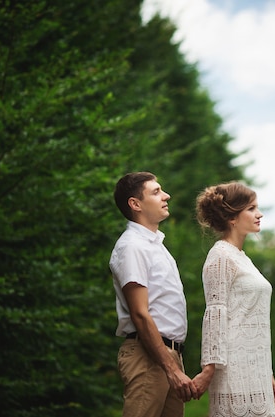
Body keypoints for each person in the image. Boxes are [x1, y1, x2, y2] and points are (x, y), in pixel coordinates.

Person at [109, 172, 196, 417]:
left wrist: (174, 363)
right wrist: (171, 369)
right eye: (156, 192)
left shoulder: (155, 245)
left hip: (167, 355)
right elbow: (139, 313)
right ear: (135, 204)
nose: (166, 196)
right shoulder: (132, 246)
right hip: (148, 357)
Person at [192, 182, 275, 416]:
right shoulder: (220, 256)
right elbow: (215, 314)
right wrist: (208, 370)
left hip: (255, 369)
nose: (259, 214)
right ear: (232, 217)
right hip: (234, 370)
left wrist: (266, 372)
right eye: (251, 209)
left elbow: (254, 319)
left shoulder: (242, 258)